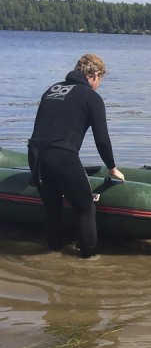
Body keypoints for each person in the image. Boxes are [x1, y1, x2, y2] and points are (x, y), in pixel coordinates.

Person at [28, 53, 125, 258]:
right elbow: (102, 139)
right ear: (95, 75)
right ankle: (88, 260)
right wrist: (112, 167)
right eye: (101, 80)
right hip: (61, 155)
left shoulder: (52, 90)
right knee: (86, 207)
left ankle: (53, 252)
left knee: (53, 208)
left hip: (36, 155)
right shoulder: (91, 97)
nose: (99, 85)